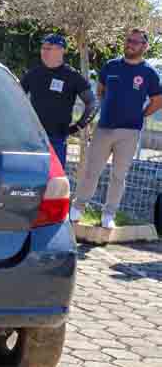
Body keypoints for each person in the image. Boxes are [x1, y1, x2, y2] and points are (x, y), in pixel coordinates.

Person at [73, 28, 162, 228]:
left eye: (136, 42)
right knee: (91, 171)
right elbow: (101, 90)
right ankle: (77, 209)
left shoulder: (149, 73)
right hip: (104, 128)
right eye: (129, 40)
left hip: (130, 132)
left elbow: (157, 100)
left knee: (118, 175)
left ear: (145, 46)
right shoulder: (110, 66)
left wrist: (141, 114)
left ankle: (108, 215)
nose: (130, 44)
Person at [20, 34, 98, 167]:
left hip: (57, 139)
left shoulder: (72, 76)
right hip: (32, 137)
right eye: (43, 48)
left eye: (49, 48)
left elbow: (92, 104)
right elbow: (16, 98)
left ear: (61, 50)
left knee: (55, 182)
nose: (44, 51)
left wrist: (78, 126)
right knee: (28, 179)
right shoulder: (33, 74)